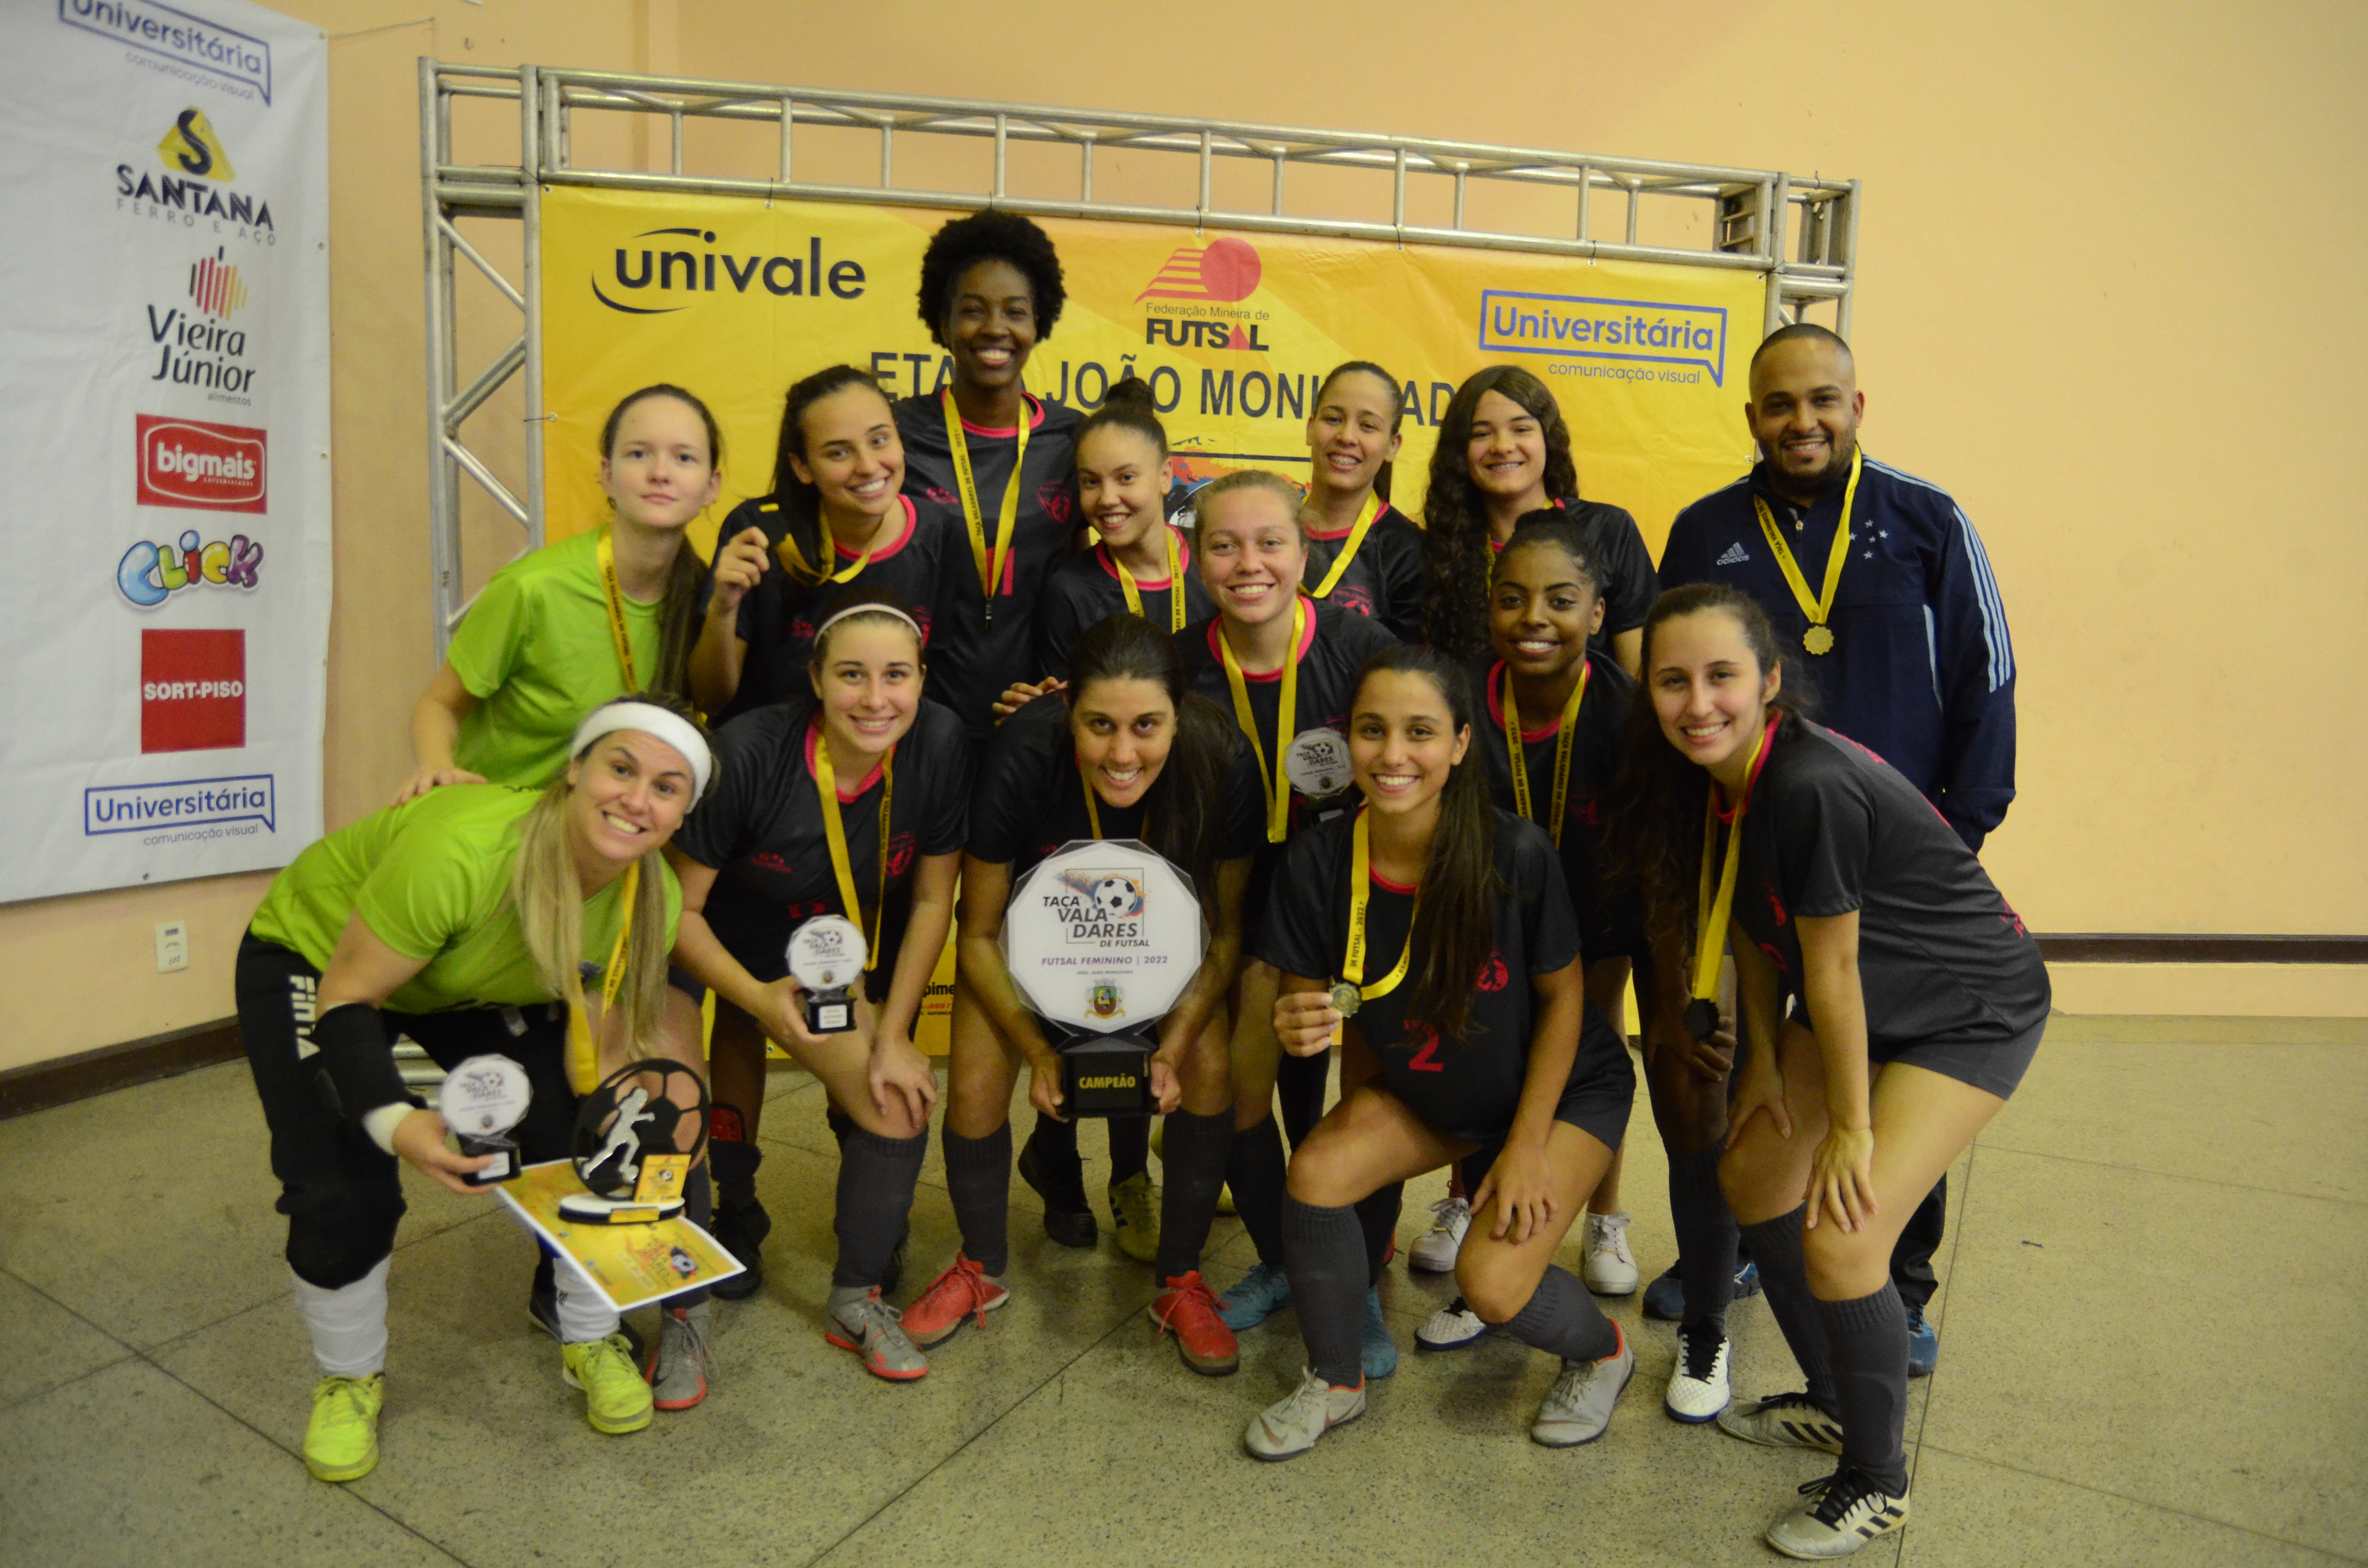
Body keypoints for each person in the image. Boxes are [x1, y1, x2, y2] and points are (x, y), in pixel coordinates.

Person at [1622, 583, 2044, 1556]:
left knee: (1845, 1236)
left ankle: (1875, 1481)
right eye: (1672, 681)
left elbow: (1834, 967)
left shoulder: (1806, 782)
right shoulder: (1712, 780)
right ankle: (1830, 1399)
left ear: (1770, 681)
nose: (1698, 703)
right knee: (1753, 1171)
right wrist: (1765, 1066)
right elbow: (1759, 937)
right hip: (1860, 998)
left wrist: (1849, 1128)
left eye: (1722, 677)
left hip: (1963, 1009)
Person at [1654, 321, 2020, 1372]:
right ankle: (1739, 1246)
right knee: (1750, 1055)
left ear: (1857, 407)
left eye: (1822, 400)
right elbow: (1680, 689)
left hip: (1899, 867)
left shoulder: (1925, 521)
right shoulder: (1705, 529)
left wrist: (1960, 833)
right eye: (1778, 404)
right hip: (1754, 859)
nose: (1800, 421)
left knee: (1894, 1069)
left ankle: (1899, 1286)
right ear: (1752, 419)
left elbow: (1987, 677)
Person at [234, 698, 710, 1481]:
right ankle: (349, 1375)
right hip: (322, 959)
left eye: (665, 787)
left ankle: (590, 1335)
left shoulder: (644, 896)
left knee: (583, 1140)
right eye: (619, 768)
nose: (635, 798)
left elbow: (603, 1051)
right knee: (342, 1183)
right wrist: (397, 1119)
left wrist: (633, 1140)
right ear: (573, 770)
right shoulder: (464, 846)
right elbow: (349, 997)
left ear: (682, 812)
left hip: (465, 984)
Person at [1243, 645, 1637, 1459]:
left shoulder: (1513, 850)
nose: (1392, 755)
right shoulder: (1315, 862)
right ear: (1344, 739)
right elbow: (1309, 1006)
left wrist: (1526, 1146)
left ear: (1460, 742)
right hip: (1437, 1089)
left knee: (1490, 1284)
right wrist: (1293, 1025)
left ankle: (1603, 1351)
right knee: (1315, 1171)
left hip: (1557, 1088)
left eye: (1419, 731)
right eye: (1371, 730)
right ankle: (1336, 1378)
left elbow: (1567, 999)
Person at [900, 615, 1263, 1375]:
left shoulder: (1221, 754)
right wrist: (1038, 1050)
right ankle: (980, 1267)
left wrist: (1171, 1045)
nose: (1122, 753)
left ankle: (1180, 1281)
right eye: (1099, 725)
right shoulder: (1023, 752)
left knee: (1208, 1068)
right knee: (970, 1081)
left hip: (1164, 952)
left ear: (1179, 713)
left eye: (1145, 726)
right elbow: (977, 936)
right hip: (1031, 948)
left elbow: (1224, 936)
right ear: (1069, 713)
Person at [664, 594, 968, 1381]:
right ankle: (705, 1268)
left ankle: (855, 1296)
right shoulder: (749, 753)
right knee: (674, 1105)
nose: (875, 698)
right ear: (815, 679)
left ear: (922, 678)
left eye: (895, 675)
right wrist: (756, 997)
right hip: (713, 938)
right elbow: (679, 911)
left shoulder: (936, 740)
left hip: (826, 953)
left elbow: (934, 898)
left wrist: (895, 1032)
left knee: (895, 1101)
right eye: (852, 675)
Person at [1171, 471, 1397, 1357]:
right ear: (1195, 559)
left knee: (1358, 1107)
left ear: (1305, 551)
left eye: (1269, 542)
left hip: (1348, 906)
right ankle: (1284, 1261)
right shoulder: (1179, 662)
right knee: (1237, 1098)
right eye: (1223, 545)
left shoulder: (1361, 649)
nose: (1248, 563)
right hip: (1234, 911)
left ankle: (1360, 1284)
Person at [1416, 519, 1649, 1355]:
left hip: (1599, 916)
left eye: (1559, 599)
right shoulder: (1463, 700)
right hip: (1492, 920)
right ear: (1489, 609)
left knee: (1592, 1055)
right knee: (1488, 1051)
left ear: (1595, 609)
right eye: (1511, 599)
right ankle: (1476, 1205)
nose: (1534, 617)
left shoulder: (1630, 711)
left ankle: (1602, 1217)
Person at [401, 385, 720, 801]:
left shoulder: (706, 597)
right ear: (606, 474)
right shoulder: (532, 589)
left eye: (684, 458)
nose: (661, 472)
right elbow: (438, 706)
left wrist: (726, 611)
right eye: (638, 454)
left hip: (615, 830)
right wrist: (438, 768)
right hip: (499, 828)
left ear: (712, 485)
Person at [892, 211, 1083, 741]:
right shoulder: (896, 435)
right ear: (943, 321)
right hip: (918, 721)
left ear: (1037, 323)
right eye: (972, 311)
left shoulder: (1072, 440)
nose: (995, 328)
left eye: (1014, 312)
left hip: (1039, 718)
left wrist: (1071, 693)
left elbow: (1104, 576)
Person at [689, 366, 962, 724]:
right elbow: (710, 698)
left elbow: (939, 688)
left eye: (879, 440)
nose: (867, 466)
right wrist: (723, 609)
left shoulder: (938, 531)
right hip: (766, 762)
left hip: (878, 757)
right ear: (802, 467)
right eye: (838, 454)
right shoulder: (760, 530)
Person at [1419, 366, 1657, 675]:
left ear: (1549, 440)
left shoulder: (1608, 530)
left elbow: (1640, 677)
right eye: (1481, 433)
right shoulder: (1438, 549)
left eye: (1521, 430)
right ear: (1459, 452)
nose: (1502, 446)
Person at [1033, 376, 1212, 678]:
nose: (1107, 499)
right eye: (1091, 481)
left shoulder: (1213, 560)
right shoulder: (1070, 594)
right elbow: (1062, 708)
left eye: (1126, 477)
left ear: (1165, 475)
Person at [1296, 361, 1427, 642]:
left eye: (1368, 426)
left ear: (1393, 446)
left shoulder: (1409, 553)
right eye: (1333, 419)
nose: (1346, 437)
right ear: (1310, 428)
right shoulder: (1271, 529)